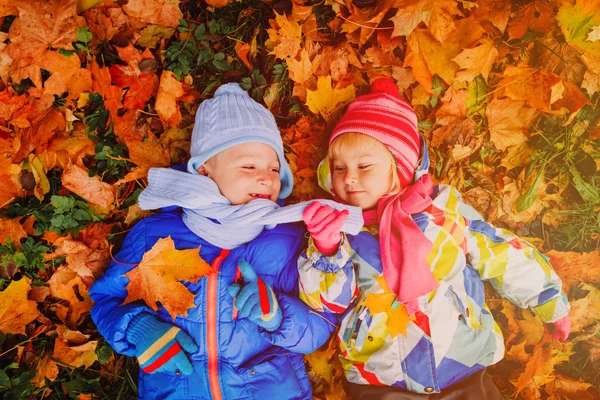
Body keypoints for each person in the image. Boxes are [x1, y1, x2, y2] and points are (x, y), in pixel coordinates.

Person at [298, 78, 571, 399]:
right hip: (379, 376)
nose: (349, 178)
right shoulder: (338, 229)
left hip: (462, 363)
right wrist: (327, 250)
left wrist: (546, 296)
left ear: (400, 167)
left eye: (364, 166)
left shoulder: (442, 209)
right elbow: (327, 303)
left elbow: (498, 250)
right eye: (339, 167)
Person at [90, 83, 362, 400]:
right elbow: (106, 300)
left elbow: (320, 325)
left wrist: (277, 316)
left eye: (275, 168)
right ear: (204, 171)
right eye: (249, 166)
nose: (267, 177)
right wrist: (139, 329)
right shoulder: (154, 236)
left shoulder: (285, 241)